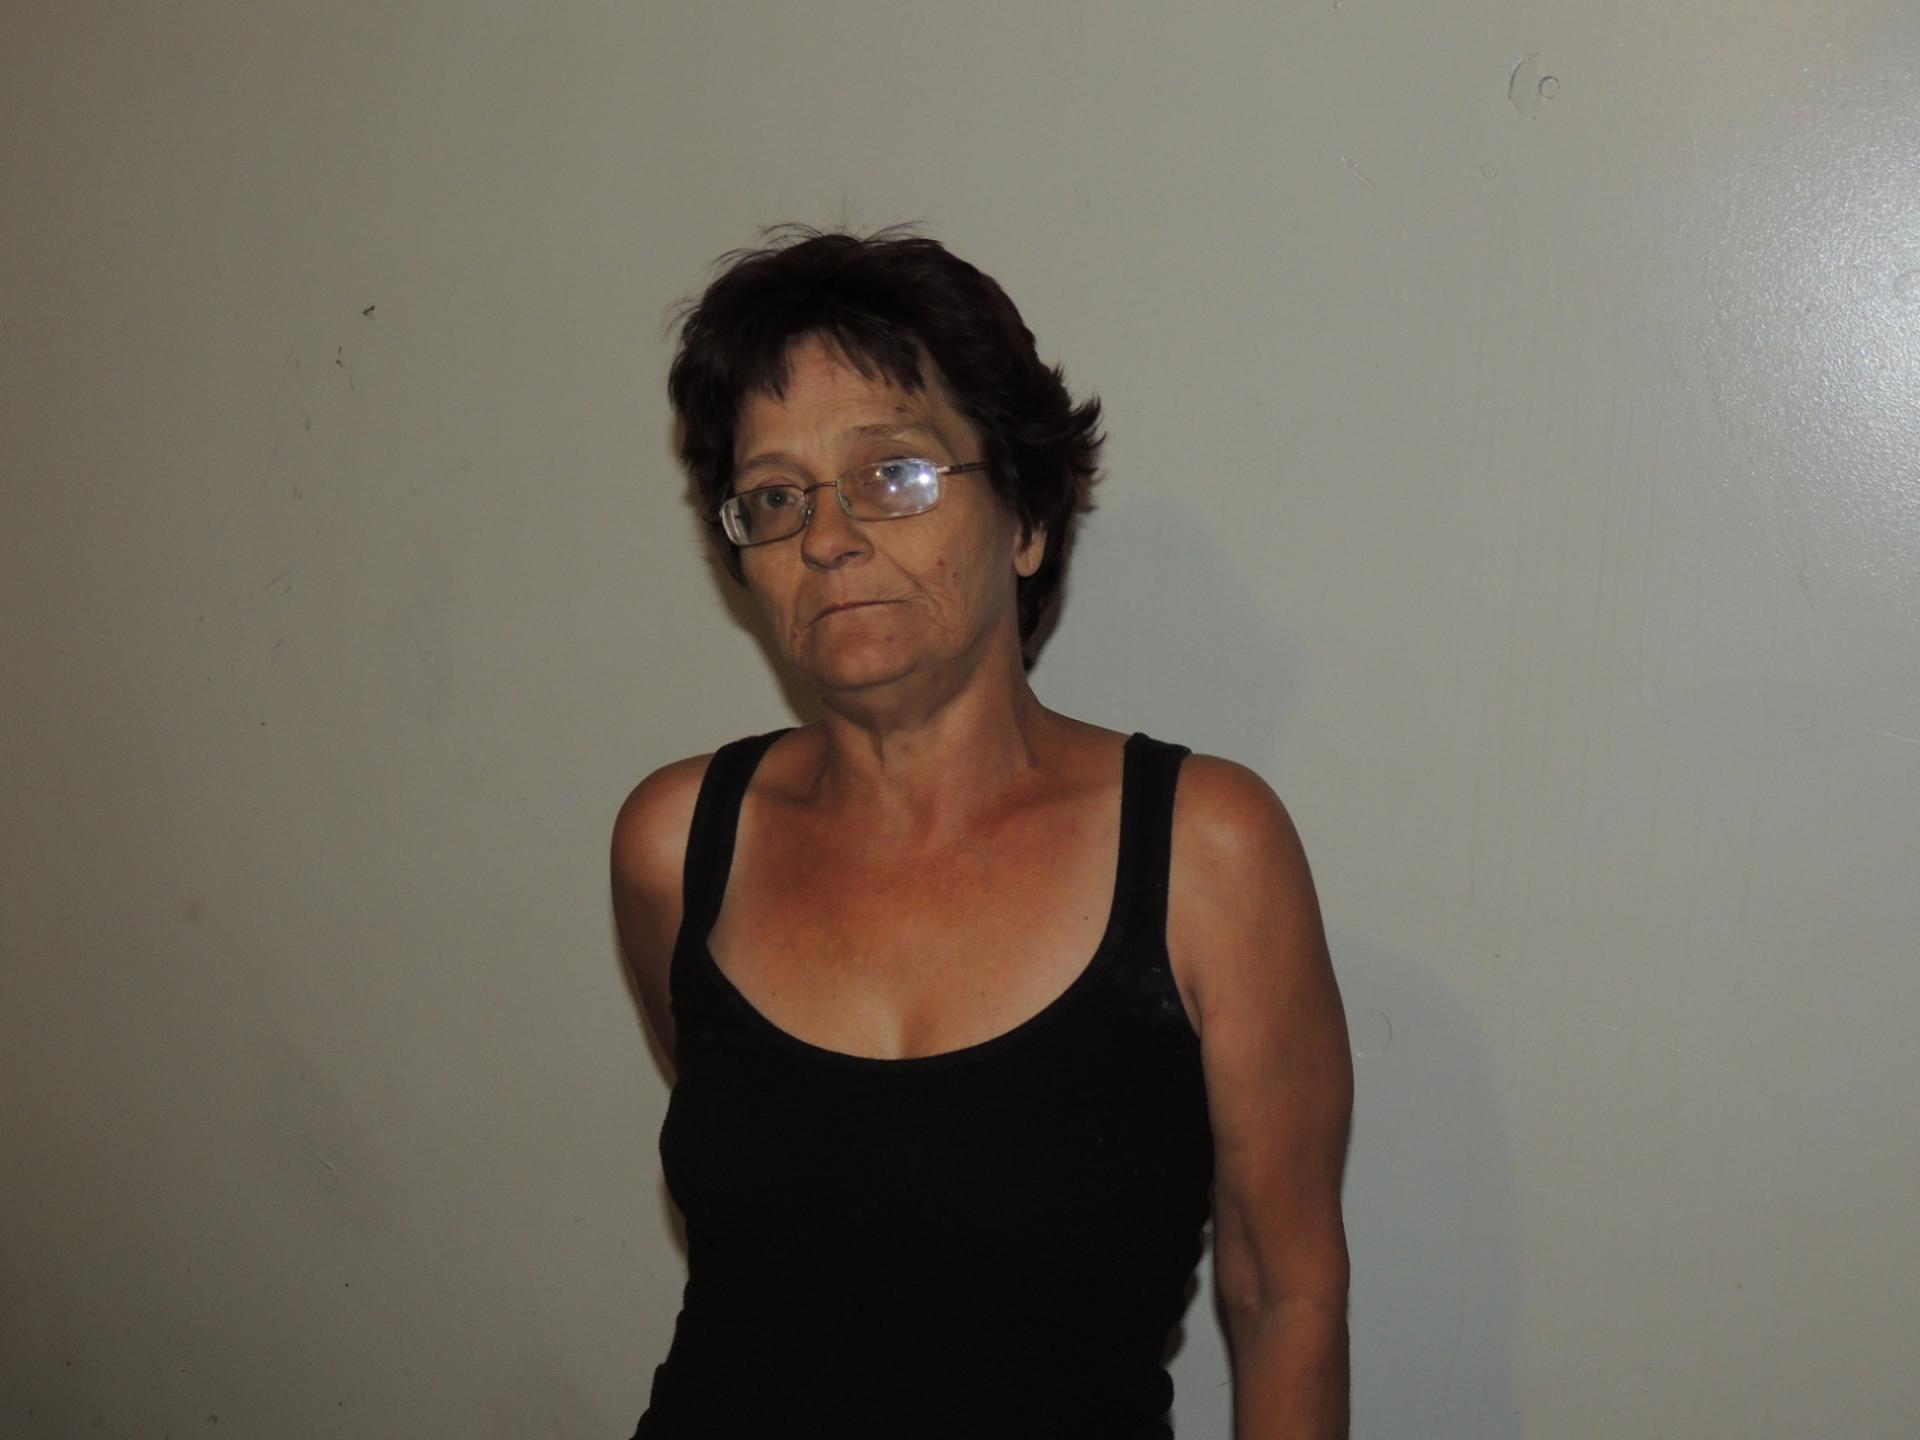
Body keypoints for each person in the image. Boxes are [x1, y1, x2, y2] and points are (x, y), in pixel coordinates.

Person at [611, 227, 1352, 1439]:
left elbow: (1288, 1298)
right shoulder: (679, 844)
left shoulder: (1207, 854)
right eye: (776, 497)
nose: (826, 537)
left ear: (1026, 521)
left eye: (892, 474)